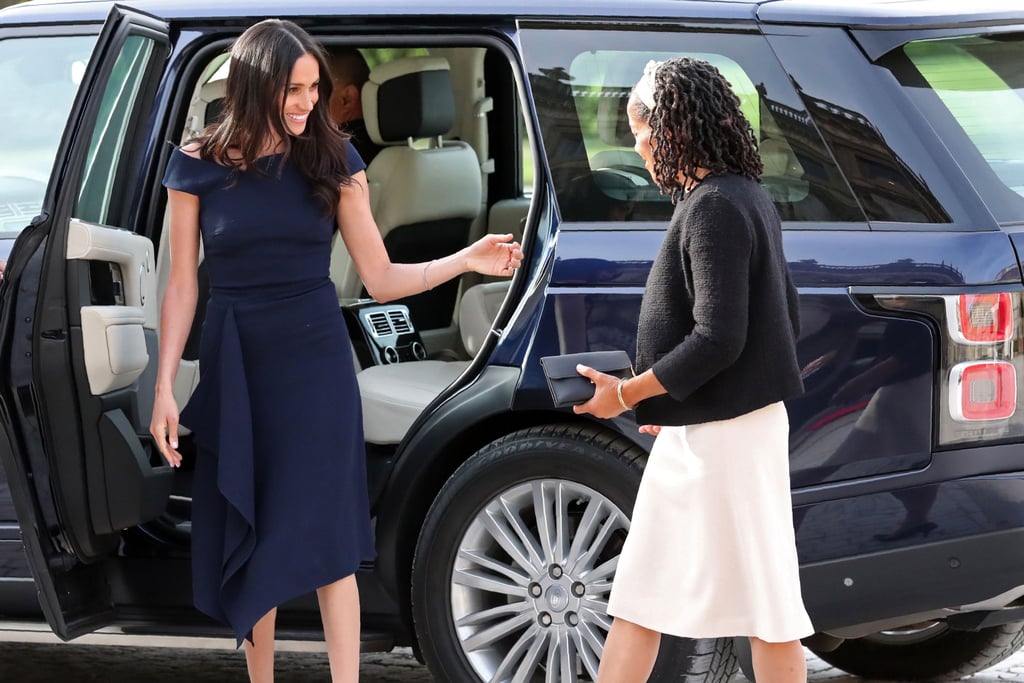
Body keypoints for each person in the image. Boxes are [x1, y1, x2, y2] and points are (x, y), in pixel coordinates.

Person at [150, 19, 522, 683]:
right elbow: (181, 283)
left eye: (314, 88)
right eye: (294, 88)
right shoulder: (198, 165)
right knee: (250, 530)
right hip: (237, 363)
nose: (306, 101)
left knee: (329, 541)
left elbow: (380, 278)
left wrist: (466, 257)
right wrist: (161, 391)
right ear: (258, 84)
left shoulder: (336, 159)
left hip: (316, 364)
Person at [573, 57, 813, 682]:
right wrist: (671, 404)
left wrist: (629, 394)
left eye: (639, 132)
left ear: (672, 128)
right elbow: (775, 320)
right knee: (652, 597)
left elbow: (718, 338)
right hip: (716, 431)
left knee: (762, 607)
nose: (638, 148)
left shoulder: (714, 209)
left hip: (726, 441)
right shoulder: (744, 197)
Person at [324, 47, 383, 165]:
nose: (308, 103)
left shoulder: (331, 156)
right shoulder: (400, 152)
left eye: (316, 90)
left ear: (347, 99)